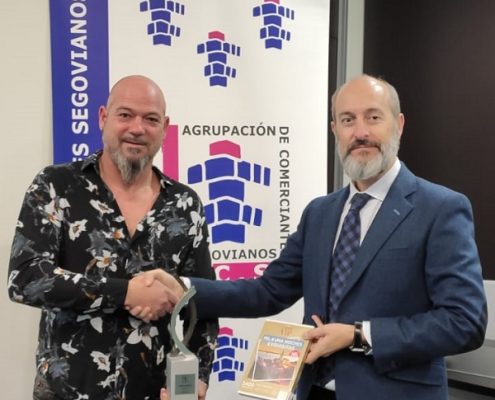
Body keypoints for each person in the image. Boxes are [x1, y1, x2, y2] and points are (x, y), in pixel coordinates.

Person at [152, 74, 487, 400]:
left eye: (373, 117)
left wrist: (359, 335)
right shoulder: (320, 213)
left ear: (398, 125)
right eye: (347, 120)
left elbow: (464, 321)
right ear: (335, 130)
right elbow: (267, 291)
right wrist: (182, 289)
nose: (360, 132)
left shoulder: (440, 208)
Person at [7, 75, 218, 400]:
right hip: (67, 392)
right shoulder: (55, 186)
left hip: (156, 392)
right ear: (103, 118)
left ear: (165, 128)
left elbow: (202, 300)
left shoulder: (184, 204)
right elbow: (25, 279)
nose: (137, 128)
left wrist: (199, 376)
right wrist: (125, 293)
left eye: (151, 119)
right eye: (125, 115)